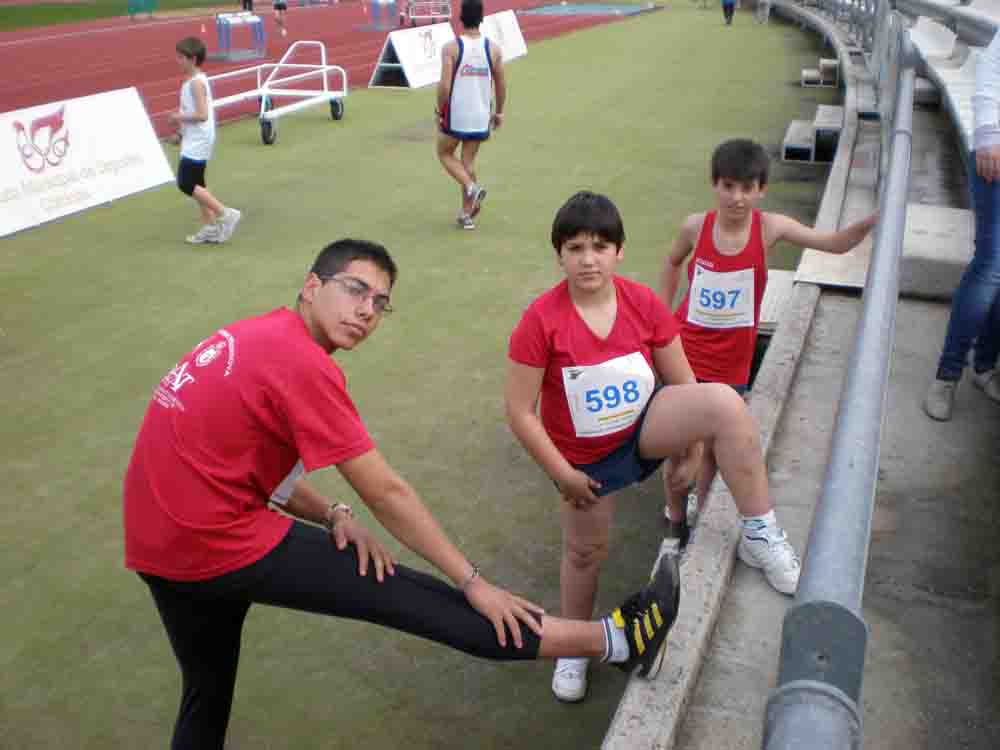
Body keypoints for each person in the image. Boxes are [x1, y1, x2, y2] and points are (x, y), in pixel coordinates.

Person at [123, 238, 681, 748]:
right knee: (409, 596)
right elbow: (387, 492)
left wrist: (331, 513)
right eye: (355, 290)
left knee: (206, 689)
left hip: (156, 547)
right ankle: (618, 640)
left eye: (380, 302)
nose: (367, 310)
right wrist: (474, 581)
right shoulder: (299, 361)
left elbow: (241, 464)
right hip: (213, 540)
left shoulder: (258, 334)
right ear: (312, 286)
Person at [505, 191, 799, 704]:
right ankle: (574, 646)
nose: (588, 259)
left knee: (725, 403)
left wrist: (690, 450)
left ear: (619, 251)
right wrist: (563, 473)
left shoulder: (642, 303)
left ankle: (759, 531)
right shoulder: (540, 321)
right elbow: (519, 411)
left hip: (643, 429)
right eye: (575, 248)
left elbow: (683, 385)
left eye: (600, 246)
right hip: (585, 461)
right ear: (559, 256)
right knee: (584, 553)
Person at [661, 138, 877, 530]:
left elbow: (834, 244)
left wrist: (875, 221)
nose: (737, 198)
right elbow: (672, 262)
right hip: (686, 350)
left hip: (732, 360)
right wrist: (662, 315)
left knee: (712, 452)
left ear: (761, 189)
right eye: (728, 186)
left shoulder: (769, 228)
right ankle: (675, 519)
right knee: (679, 445)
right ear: (714, 184)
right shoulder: (695, 227)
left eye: (747, 188)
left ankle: (701, 516)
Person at [925, 33, 1000, 420]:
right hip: (996, 153)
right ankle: (947, 374)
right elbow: (990, 67)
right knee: (990, 266)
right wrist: (988, 135)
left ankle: (985, 365)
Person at [436, 0, 505, 230]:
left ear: (460, 17)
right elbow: (501, 84)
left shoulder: (451, 48)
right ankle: (466, 215)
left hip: (457, 114)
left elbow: (445, 86)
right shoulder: (494, 49)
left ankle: (471, 187)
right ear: (482, 19)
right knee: (467, 162)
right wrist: (499, 112)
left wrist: (439, 109)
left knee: (444, 153)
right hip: (480, 114)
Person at [167, 37, 241, 245]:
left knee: (186, 183)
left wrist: (177, 117)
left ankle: (226, 214)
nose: (177, 61)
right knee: (197, 183)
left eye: (181, 57)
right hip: (194, 137)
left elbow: (202, 114)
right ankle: (209, 227)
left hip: (198, 139)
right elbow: (192, 110)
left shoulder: (196, 83)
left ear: (192, 59)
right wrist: (180, 134)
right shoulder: (192, 82)